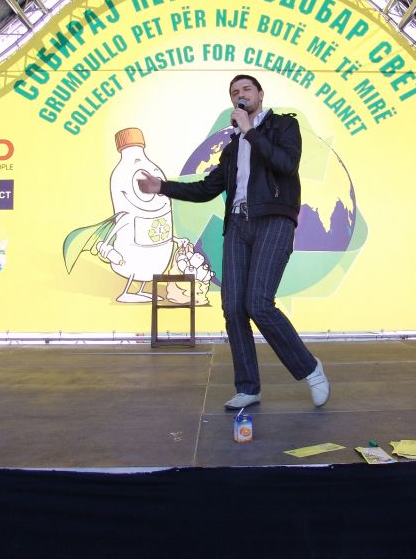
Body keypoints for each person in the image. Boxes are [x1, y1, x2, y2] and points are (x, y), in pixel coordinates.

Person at [137, 74, 329, 411]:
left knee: (259, 304)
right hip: (238, 224)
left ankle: (310, 368)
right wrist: (162, 187)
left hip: (273, 219)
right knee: (233, 307)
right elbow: (206, 188)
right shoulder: (233, 147)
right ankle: (248, 387)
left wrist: (251, 131)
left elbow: (286, 164)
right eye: (234, 92)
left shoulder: (283, 126)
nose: (240, 95)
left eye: (246, 89)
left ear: (260, 95)